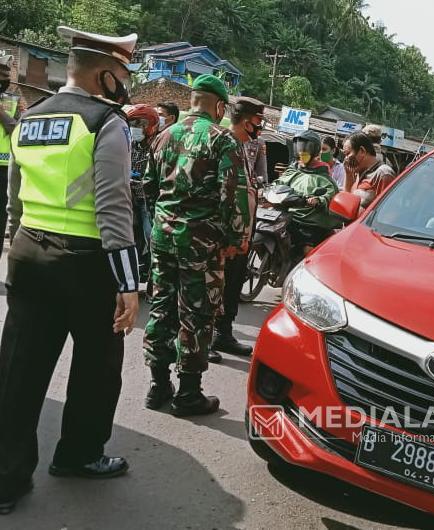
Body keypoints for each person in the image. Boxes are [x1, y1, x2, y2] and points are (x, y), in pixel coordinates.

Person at [0, 26, 140, 515]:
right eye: (122, 73)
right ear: (104, 73)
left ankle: (5, 480)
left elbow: (15, 196)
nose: (125, 82)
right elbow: (113, 209)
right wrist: (128, 284)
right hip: (87, 264)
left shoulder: (30, 118)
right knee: (98, 366)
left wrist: (15, 246)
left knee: (18, 369)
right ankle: (79, 455)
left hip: (28, 253)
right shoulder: (108, 122)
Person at [142, 74, 251, 416]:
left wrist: (165, 219)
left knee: (162, 306)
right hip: (201, 244)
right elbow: (230, 198)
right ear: (219, 105)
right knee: (198, 314)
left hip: (162, 236)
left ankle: (158, 386)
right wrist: (233, 240)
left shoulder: (163, 135)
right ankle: (188, 394)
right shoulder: (223, 140)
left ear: (192, 100)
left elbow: (148, 187)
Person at [211, 96, 266, 360]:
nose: (260, 127)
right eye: (258, 121)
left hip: (241, 236)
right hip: (226, 237)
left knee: (232, 288)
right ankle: (207, 339)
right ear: (246, 121)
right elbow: (224, 194)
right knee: (216, 289)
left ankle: (223, 334)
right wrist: (229, 236)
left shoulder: (245, 147)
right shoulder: (225, 143)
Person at [274, 130, 339, 250]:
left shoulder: (324, 178)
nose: (301, 151)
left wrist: (318, 200)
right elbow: (279, 183)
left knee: (307, 251)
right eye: (298, 146)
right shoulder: (293, 170)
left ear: (314, 150)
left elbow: (329, 195)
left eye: (305, 147)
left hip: (308, 224)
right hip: (287, 217)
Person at [126, 104, 160, 283]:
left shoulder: (158, 145)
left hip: (147, 202)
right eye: (133, 124)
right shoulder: (129, 144)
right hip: (128, 199)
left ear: (151, 126)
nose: (135, 128)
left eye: (139, 124)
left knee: (150, 237)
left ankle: (155, 279)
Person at [343, 132, 396, 210]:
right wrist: (348, 174)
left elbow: (387, 211)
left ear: (362, 151)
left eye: (348, 154)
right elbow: (346, 200)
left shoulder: (383, 174)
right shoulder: (357, 172)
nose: (346, 159)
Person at [0, 54, 19, 258]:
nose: (3, 79)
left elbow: (18, 131)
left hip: (5, 170)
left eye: (5, 75)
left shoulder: (10, 103)